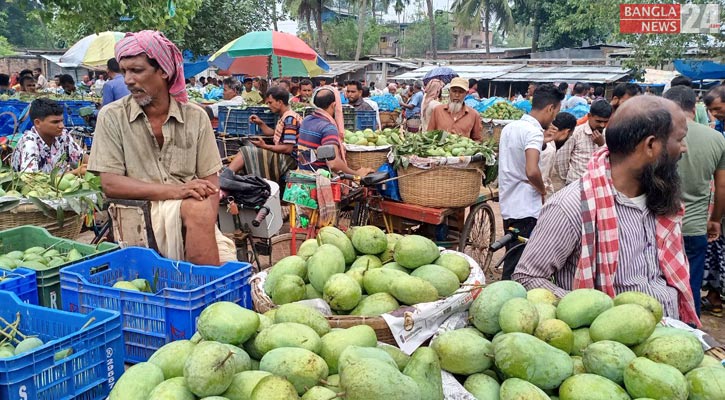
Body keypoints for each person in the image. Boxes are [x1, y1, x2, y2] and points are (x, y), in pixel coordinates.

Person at [512, 96, 700, 327]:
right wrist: (601, 314)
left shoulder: (662, 198)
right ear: (651, 145)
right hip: (614, 348)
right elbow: (527, 277)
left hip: (671, 335)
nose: (684, 148)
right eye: (680, 139)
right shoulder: (571, 207)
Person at [87, 30, 235, 266]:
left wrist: (203, 220)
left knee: (226, 262)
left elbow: (211, 184)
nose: (128, 80)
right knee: (197, 210)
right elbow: (110, 183)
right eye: (124, 71)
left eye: (136, 70)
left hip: (192, 213)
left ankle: (203, 287)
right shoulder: (112, 116)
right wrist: (178, 193)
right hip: (136, 213)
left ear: (164, 71)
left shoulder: (196, 117)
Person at [663, 86, 725, 317]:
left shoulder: (660, 134)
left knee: (658, 284)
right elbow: (722, 187)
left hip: (661, 225)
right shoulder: (716, 137)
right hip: (695, 227)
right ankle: (690, 330)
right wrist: (715, 220)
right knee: (691, 287)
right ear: (694, 106)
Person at [498, 83, 564, 280]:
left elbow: (518, 156)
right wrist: (542, 189)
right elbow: (532, 170)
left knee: (512, 254)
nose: (554, 118)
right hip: (526, 207)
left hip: (509, 203)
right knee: (517, 263)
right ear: (550, 108)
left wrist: (543, 142)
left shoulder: (511, 127)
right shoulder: (533, 132)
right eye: (555, 113)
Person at [228, 86, 300, 181]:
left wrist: (264, 146)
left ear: (280, 102)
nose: (268, 106)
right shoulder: (284, 116)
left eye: (270, 102)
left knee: (245, 151)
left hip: (290, 160)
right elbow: (274, 134)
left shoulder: (290, 119)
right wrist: (260, 123)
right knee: (247, 153)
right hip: (285, 156)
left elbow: (288, 149)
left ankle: (226, 176)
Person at [297, 87, 372, 177]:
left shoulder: (307, 119)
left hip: (303, 175)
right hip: (319, 180)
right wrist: (356, 174)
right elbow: (334, 163)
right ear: (334, 105)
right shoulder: (328, 128)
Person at [11, 98, 85, 174]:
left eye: (61, 121)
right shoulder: (29, 143)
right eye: (55, 122)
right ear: (37, 123)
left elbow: (81, 156)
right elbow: (31, 179)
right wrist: (75, 172)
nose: (61, 126)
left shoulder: (63, 135)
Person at [555, 100, 613, 185]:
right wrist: (569, 181)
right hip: (576, 184)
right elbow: (561, 161)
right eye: (598, 121)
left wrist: (602, 145)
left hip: (599, 184)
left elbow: (612, 161)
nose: (602, 125)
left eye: (605, 122)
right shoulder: (576, 133)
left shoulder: (609, 134)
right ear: (589, 116)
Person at [548, 112, 578, 193]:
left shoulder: (545, 139)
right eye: (570, 135)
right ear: (567, 131)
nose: (569, 138)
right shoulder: (549, 149)